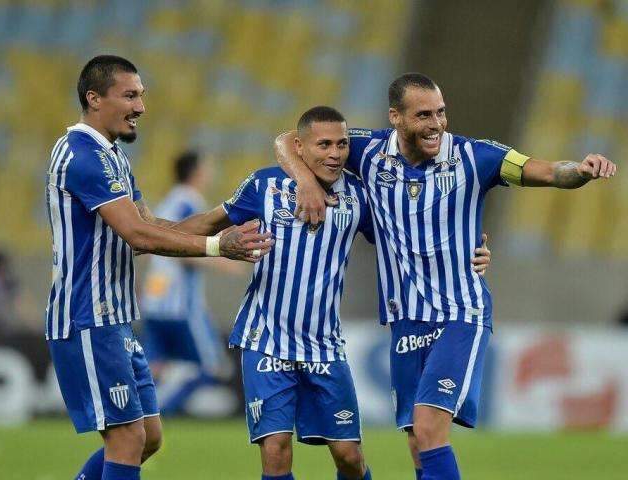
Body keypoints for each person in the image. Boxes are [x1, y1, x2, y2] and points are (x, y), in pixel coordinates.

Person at [274, 73, 616, 480]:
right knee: (418, 442)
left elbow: (545, 171)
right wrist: (305, 183)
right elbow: (285, 140)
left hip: (459, 313)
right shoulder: (365, 150)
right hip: (405, 318)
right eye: (423, 115)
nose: (436, 123)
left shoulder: (477, 156)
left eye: (440, 112)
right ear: (396, 117)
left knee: (429, 427)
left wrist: (580, 169)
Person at [171, 105, 490, 480]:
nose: (335, 153)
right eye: (323, 144)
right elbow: (208, 222)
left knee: (349, 457)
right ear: (299, 148)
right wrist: (150, 234)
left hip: (323, 344)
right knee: (275, 449)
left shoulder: (359, 197)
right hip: (266, 336)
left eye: (341, 144)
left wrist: (473, 250)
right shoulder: (265, 186)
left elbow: (410, 235)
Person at [45, 55, 273, 480]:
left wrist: (230, 212)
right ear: (94, 99)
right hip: (86, 316)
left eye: (142, 96)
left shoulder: (111, 156)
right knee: (128, 439)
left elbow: (155, 226)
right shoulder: (81, 155)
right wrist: (216, 247)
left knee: (148, 437)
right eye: (130, 95)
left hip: (115, 318)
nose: (141, 107)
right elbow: (139, 236)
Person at [141, 149, 240, 415]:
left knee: (154, 366)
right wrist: (223, 259)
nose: (210, 173)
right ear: (196, 172)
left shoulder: (167, 203)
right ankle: (160, 409)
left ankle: (137, 416)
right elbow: (183, 250)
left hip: (154, 300)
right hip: (180, 303)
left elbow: (153, 249)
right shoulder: (189, 203)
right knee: (213, 367)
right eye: (207, 167)